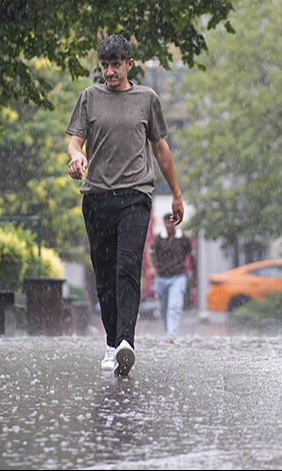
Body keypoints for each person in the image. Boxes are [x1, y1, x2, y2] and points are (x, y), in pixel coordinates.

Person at [66, 34, 184, 376]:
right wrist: (76, 158)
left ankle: (125, 343)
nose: (110, 72)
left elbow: (161, 149)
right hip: (97, 197)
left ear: (129, 64)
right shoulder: (89, 97)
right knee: (104, 276)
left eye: (116, 64)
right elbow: (75, 143)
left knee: (127, 266)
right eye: (104, 65)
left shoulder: (146, 99)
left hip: (135, 195)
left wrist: (176, 192)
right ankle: (110, 342)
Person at [145, 212, 195, 339]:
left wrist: (194, 276)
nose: (169, 224)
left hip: (178, 277)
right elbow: (149, 253)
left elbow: (192, 257)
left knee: (175, 305)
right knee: (162, 307)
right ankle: (168, 328)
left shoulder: (183, 239)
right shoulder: (159, 239)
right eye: (167, 221)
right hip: (161, 277)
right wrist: (151, 267)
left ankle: (172, 333)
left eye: (171, 221)